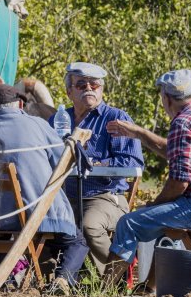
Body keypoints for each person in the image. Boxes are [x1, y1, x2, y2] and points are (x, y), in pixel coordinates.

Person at [104, 70, 191, 263]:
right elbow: (178, 154)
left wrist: (154, 205)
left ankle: (109, 285)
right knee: (165, 222)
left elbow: (179, 184)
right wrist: (139, 133)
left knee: (128, 223)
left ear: (166, 98)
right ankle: (152, 286)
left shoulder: (183, 122)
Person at [0, 85, 89, 287]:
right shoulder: (38, 125)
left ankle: (7, 278)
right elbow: (61, 163)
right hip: (37, 215)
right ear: (19, 104)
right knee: (76, 242)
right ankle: (63, 279)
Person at [52, 62, 144, 266]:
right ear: (69, 91)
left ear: (101, 90)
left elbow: (132, 161)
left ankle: (116, 276)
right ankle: (58, 277)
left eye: (94, 85)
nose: (88, 89)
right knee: (41, 224)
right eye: (81, 85)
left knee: (89, 226)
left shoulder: (116, 118)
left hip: (103, 195)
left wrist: (98, 164)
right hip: (63, 197)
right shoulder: (57, 119)